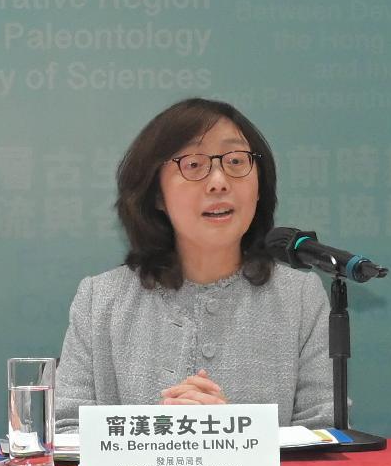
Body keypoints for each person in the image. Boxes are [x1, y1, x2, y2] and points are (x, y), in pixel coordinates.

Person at [52, 97, 336, 427]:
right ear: (156, 193)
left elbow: (323, 432)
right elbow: (65, 431)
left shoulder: (299, 297)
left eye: (235, 161)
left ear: (260, 186)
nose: (219, 181)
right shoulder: (101, 299)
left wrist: (231, 433)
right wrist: (163, 436)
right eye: (194, 165)